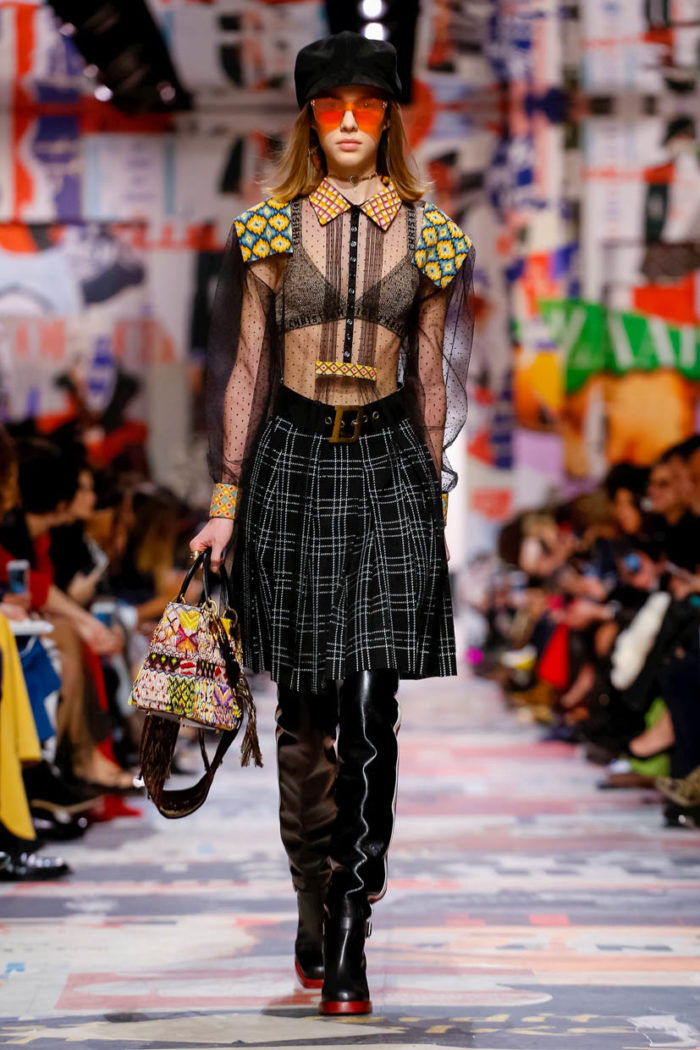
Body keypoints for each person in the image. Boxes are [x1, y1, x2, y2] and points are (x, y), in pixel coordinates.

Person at [190, 31, 475, 1015]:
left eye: (367, 104)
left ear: (389, 118)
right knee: (307, 710)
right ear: (309, 120)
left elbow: (428, 370)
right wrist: (226, 497)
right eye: (330, 105)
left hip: (391, 462)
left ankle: (353, 919)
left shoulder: (434, 237)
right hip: (293, 463)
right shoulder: (267, 230)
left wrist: (433, 494)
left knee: (371, 700)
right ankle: (314, 893)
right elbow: (246, 368)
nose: (349, 121)